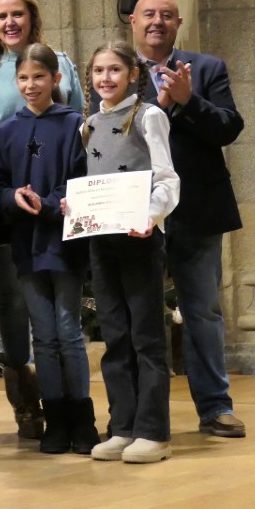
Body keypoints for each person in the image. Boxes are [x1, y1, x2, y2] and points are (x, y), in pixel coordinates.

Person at [0, 0, 85, 438]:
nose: (10, 22)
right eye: (1, 16)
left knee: (62, 313)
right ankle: (26, 398)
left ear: (31, 17)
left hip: (59, 201)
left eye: (17, 13)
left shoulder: (62, 63)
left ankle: (70, 407)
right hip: (8, 199)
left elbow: (76, 129)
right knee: (16, 299)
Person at [129, 0, 246, 438]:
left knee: (203, 311)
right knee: (139, 314)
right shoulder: (117, 69)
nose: (156, 21)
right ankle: (137, 414)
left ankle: (216, 407)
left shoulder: (207, 68)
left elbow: (228, 128)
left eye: (165, 15)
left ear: (178, 22)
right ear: (133, 22)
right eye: (148, 15)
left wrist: (187, 100)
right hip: (138, 212)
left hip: (197, 208)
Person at [0, 43, 98, 455]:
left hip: (64, 242)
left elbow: (82, 178)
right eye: (23, 78)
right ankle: (55, 419)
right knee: (43, 337)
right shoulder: (9, 130)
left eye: (39, 77)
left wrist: (47, 205)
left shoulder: (74, 125)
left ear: (56, 79)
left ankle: (81, 419)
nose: (31, 85)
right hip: (27, 245)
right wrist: (11, 198)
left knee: (68, 332)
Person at [78, 41, 179, 464]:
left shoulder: (147, 115)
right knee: (115, 336)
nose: (106, 78)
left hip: (139, 240)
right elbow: (95, 183)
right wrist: (76, 207)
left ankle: (152, 431)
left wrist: (151, 217)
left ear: (133, 74)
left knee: (146, 337)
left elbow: (167, 178)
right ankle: (122, 426)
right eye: (99, 71)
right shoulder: (88, 124)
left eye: (114, 70)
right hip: (103, 243)